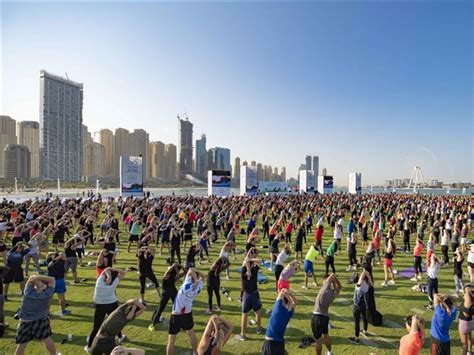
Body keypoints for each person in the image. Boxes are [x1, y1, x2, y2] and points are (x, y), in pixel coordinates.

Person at [86, 267, 127, 352]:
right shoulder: (114, 282)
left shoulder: (100, 281)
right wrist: (115, 270)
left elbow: (106, 269)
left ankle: (89, 347)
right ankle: (120, 337)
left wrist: (109, 275)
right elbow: (123, 272)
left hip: (100, 306)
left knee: (96, 327)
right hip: (112, 304)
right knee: (115, 322)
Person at [14, 275, 56, 355]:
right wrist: (42, 284)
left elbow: (31, 278)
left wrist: (37, 279)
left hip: (24, 322)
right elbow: (52, 279)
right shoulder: (47, 294)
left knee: (21, 346)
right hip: (40, 321)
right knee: (47, 339)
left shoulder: (28, 292)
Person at [167, 268, 204, 355]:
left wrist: (194, 275)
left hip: (176, 315)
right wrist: (197, 277)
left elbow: (190, 270)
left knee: (171, 339)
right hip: (187, 314)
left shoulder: (185, 286)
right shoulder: (199, 287)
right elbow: (203, 277)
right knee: (191, 333)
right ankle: (195, 352)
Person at [312, 274, 342, 355]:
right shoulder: (333, 293)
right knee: (326, 336)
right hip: (325, 317)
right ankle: (329, 352)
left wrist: (332, 275)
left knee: (318, 339)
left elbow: (328, 280)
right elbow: (339, 286)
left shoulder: (324, 290)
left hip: (317, 317)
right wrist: (335, 278)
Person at [149, 263, 185, 330]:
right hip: (172, 292)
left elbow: (176, 266)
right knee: (177, 308)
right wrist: (181, 267)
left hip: (166, 293)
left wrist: (178, 268)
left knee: (161, 308)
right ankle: (181, 323)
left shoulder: (167, 275)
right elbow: (183, 270)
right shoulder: (173, 276)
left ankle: (153, 324)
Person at [237, 249, 263, 340]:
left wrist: (249, 256)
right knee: (258, 311)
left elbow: (246, 260)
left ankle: (243, 334)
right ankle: (258, 328)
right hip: (255, 294)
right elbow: (260, 261)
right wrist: (252, 258)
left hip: (246, 295)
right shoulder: (255, 268)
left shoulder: (243, 269)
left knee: (245, 314)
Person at [262, 289, 296, 355]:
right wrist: (289, 294)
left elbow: (281, 293)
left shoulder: (278, 307)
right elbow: (294, 302)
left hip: (270, 343)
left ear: (282, 300)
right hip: (280, 343)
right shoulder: (288, 313)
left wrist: (284, 292)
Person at [349, 269, 373, 345]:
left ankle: (356, 339)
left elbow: (361, 278)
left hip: (357, 306)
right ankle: (365, 331)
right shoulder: (367, 285)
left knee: (357, 322)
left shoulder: (358, 286)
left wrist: (364, 271)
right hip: (364, 306)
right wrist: (367, 274)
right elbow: (370, 280)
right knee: (364, 318)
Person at [46, 252, 71, 316]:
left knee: (49, 298)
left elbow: (48, 254)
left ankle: (46, 313)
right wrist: (59, 256)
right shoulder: (62, 261)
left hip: (50, 281)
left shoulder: (49, 261)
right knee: (61, 297)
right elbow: (64, 256)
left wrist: (55, 254)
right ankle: (63, 311)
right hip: (59, 281)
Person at [458, 285, 474, 355]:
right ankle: (470, 352)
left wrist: (467, 290)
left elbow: (466, 294)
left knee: (464, 344)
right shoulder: (471, 300)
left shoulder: (468, 301)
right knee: (469, 338)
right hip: (470, 322)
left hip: (463, 324)